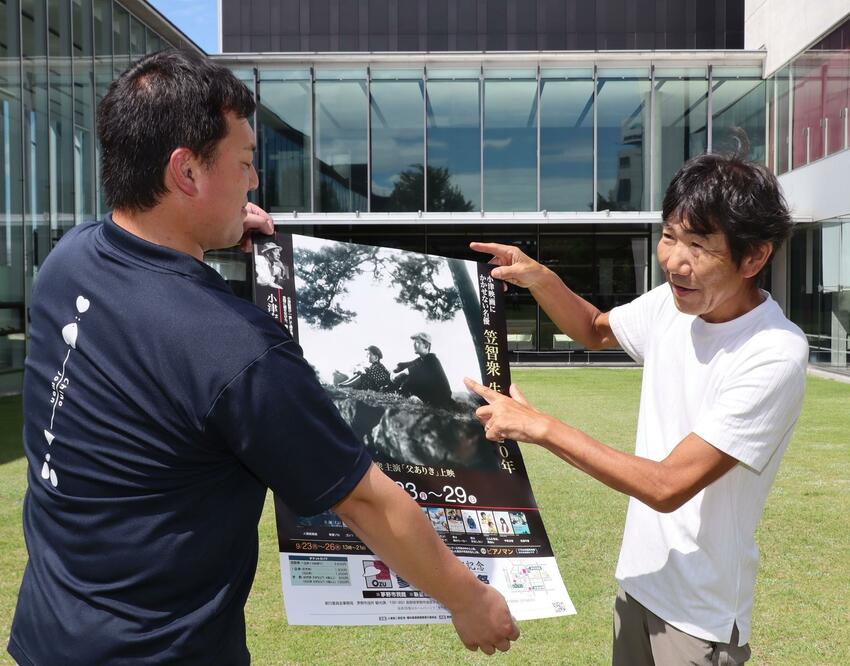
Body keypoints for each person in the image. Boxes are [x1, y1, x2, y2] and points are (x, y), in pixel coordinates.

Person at [8, 49, 518, 665]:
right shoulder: (235, 349)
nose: (254, 182)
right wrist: (468, 599)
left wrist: (214, 234)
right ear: (186, 173)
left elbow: (152, 300)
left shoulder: (70, 259)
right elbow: (362, 500)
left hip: (48, 634)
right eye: (246, 163)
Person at [466, 152, 808, 665]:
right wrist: (539, 278)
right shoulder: (673, 304)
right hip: (640, 583)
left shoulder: (773, 351)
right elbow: (594, 328)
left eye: (697, 245)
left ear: (753, 257)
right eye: (670, 236)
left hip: (699, 615)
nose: (674, 261)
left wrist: (542, 428)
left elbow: (667, 485)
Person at [392, 332, 454, 408]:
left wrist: (398, 375)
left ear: (426, 345)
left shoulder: (432, 359)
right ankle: (403, 393)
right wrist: (395, 369)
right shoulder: (420, 360)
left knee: (411, 377)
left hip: (441, 400)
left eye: (417, 343)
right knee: (409, 377)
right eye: (414, 342)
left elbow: (410, 370)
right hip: (431, 398)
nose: (414, 345)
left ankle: (406, 394)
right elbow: (403, 365)